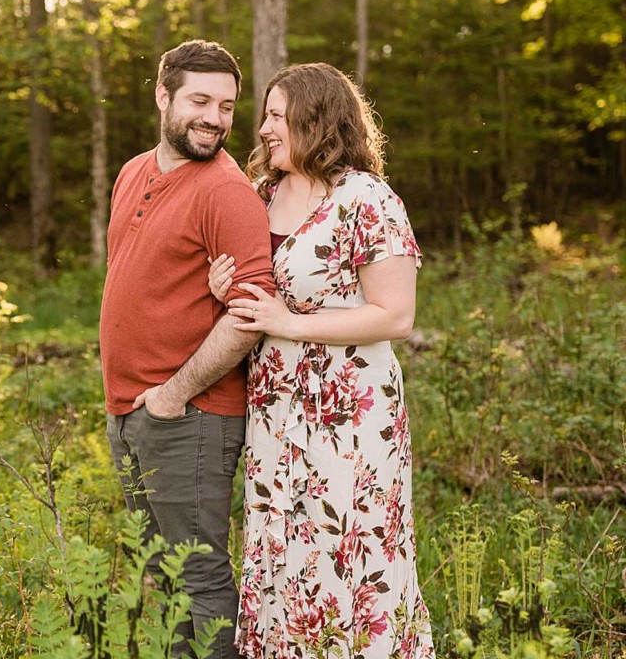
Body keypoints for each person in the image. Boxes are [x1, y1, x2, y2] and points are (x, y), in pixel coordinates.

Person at [208, 63, 435, 657]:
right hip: (275, 403)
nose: (263, 129)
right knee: (281, 543)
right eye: (265, 115)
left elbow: (396, 316)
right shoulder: (262, 194)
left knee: (349, 544)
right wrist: (222, 287)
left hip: (349, 409)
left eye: (277, 116)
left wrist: (290, 322)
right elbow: (261, 295)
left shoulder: (366, 197)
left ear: (317, 120)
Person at [101, 39, 276, 658]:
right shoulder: (131, 172)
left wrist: (172, 396)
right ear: (162, 96)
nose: (215, 118)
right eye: (200, 101)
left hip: (191, 415)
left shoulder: (228, 192)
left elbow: (250, 314)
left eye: (227, 107)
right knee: (162, 575)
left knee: (197, 578)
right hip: (131, 410)